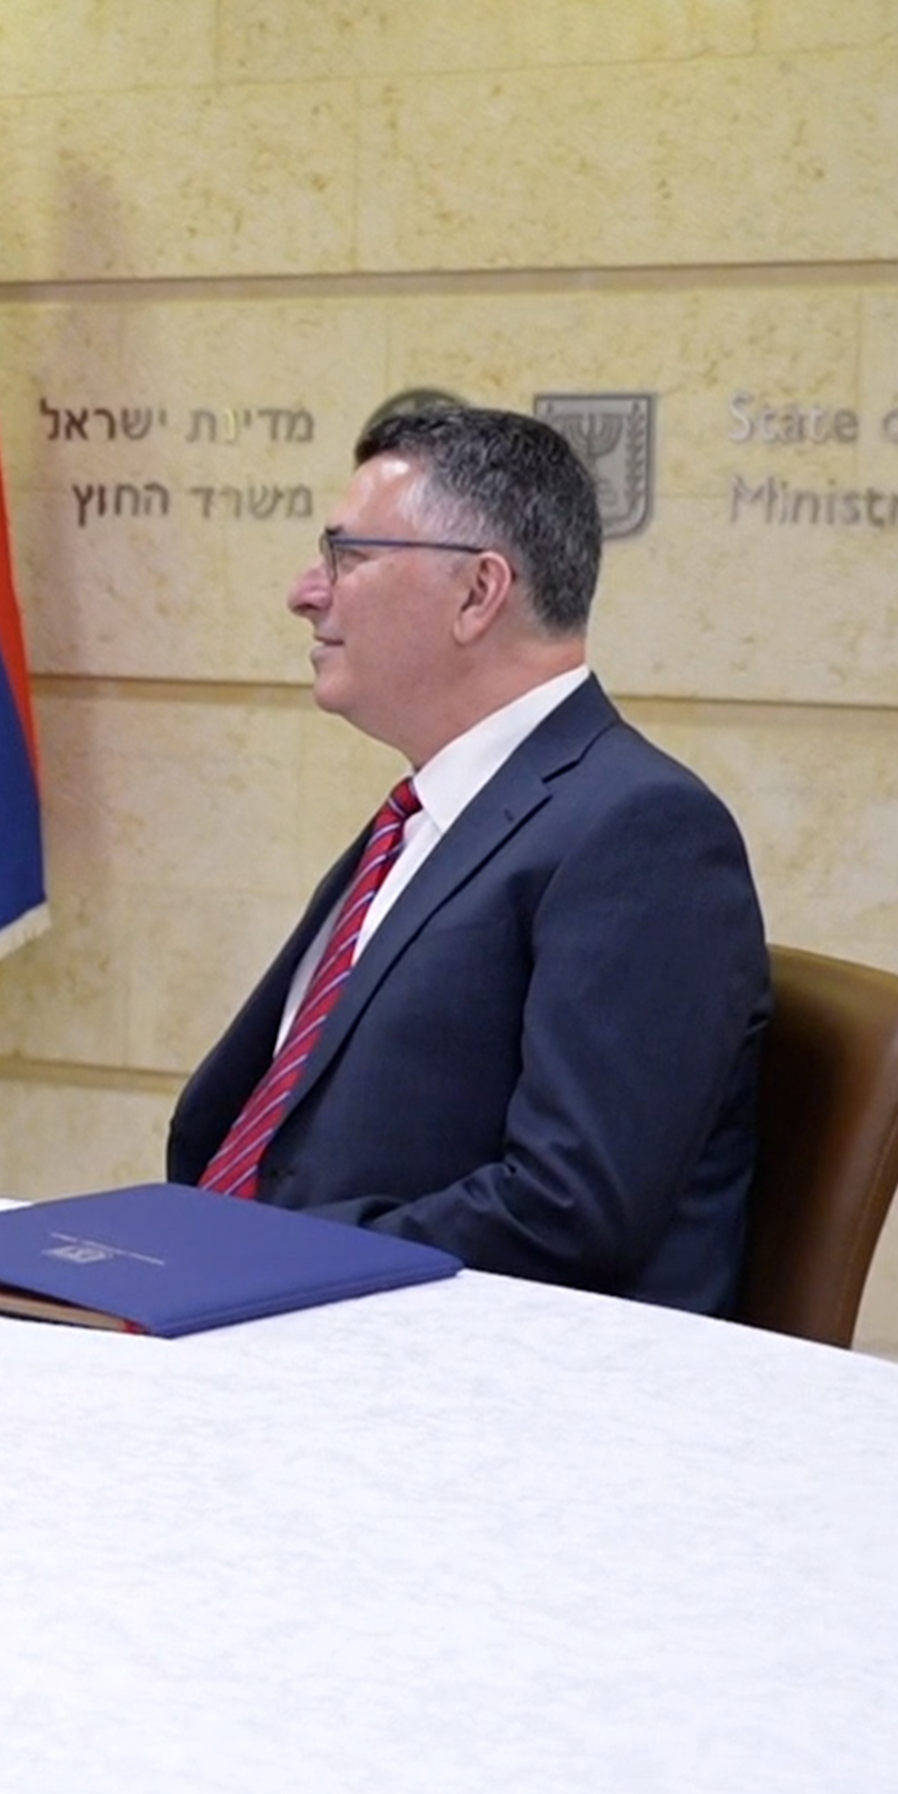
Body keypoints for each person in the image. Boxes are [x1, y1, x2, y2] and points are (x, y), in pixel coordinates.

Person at [166, 403, 766, 1313]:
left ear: (479, 593)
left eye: (347, 555)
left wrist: (267, 1257)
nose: (305, 592)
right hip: (270, 1315)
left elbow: (568, 1209)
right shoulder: (430, 812)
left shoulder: (642, 831)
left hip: (443, 1360)